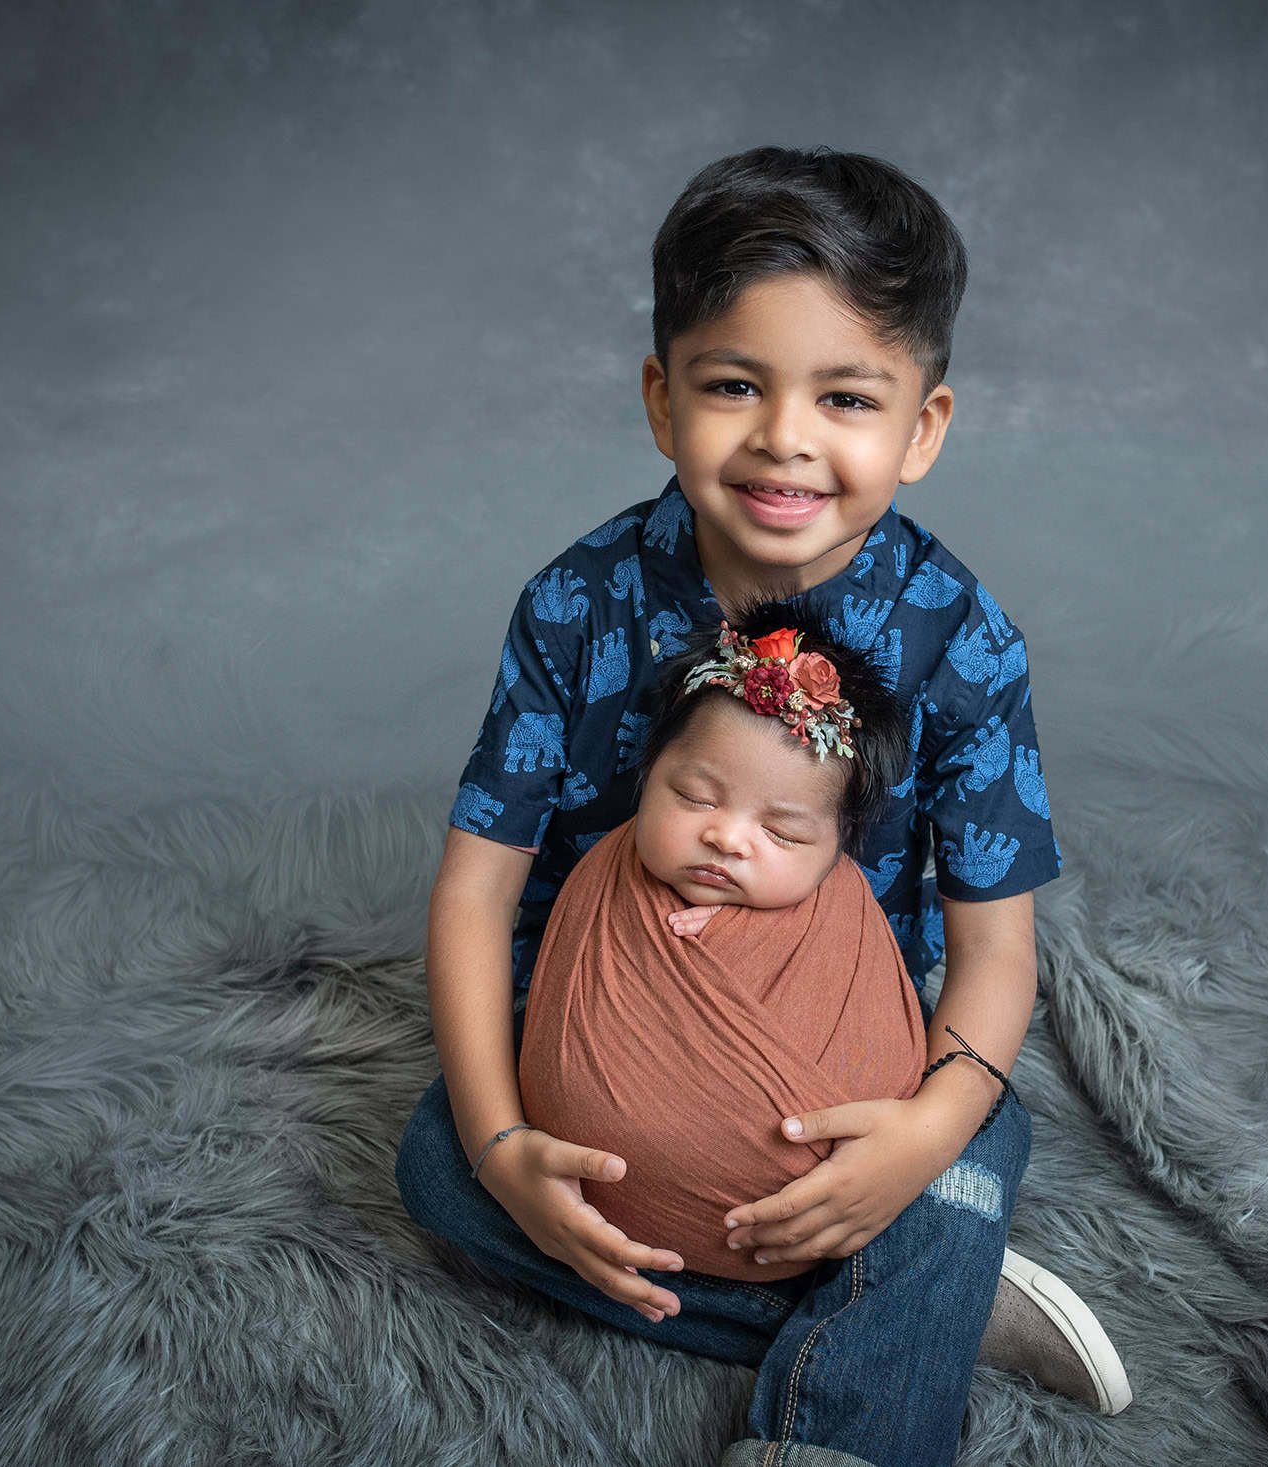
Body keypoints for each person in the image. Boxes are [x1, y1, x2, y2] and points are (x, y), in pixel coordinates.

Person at [397, 146, 1130, 1467]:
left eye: (846, 396)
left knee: (974, 1129)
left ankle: (840, 1416)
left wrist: (920, 1128)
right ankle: (925, 1305)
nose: (785, 435)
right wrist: (508, 1140)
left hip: (839, 1056)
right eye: (735, 383)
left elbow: (997, 952)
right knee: (438, 1168)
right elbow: (476, 883)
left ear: (923, 428)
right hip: (603, 1034)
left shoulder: (962, 642)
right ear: (660, 396)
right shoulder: (576, 601)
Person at [516, 608, 930, 1286]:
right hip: (576, 1201)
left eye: (786, 834)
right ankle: (879, 1297)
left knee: (988, 1128)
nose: (729, 839)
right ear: (648, 774)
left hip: (859, 1193)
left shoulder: (841, 903)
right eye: (696, 797)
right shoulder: (608, 877)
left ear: (837, 848)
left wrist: (759, 933)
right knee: (439, 1160)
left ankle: (873, 1282)